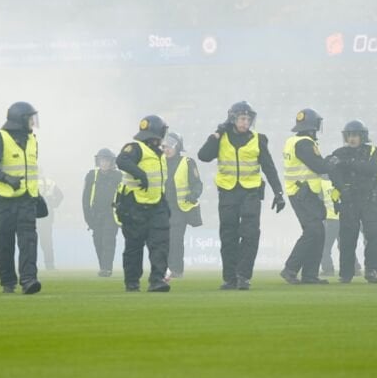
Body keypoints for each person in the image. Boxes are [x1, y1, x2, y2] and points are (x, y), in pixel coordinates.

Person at [198, 101, 285, 290]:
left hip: (250, 192)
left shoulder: (258, 139)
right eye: (242, 118)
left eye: (248, 119)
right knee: (228, 236)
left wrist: (278, 192)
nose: (246, 122)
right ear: (232, 118)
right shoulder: (221, 138)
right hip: (228, 192)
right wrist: (216, 134)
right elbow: (203, 156)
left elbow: (269, 168)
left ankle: (243, 276)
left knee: (250, 234)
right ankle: (230, 278)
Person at [0, 101, 43, 294]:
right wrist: (7, 178)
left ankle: (28, 279)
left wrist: (36, 194)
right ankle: (8, 281)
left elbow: (31, 171)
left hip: (27, 199)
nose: (33, 122)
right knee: (4, 241)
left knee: (29, 240)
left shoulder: (33, 139)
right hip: (4, 200)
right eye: (30, 118)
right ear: (21, 119)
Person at [115, 115, 171, 292]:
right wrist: (140, 174)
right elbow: (121, 160)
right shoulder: (135, 147)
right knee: (134, 246)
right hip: (134, 205)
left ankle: (157, 280)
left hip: (157, 205)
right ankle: (132, 282)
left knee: (160, 244)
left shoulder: (159, 153)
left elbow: (160, 182)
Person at [327, 120, 377, 284]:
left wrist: (347, 164)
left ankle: (371, 270)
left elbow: (371, 168)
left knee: (374, 233)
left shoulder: (374, 151)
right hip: (349, 200)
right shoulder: (339, 152)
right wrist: (341, 188)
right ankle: (346, 273)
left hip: (369, 200)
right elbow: (332, 170)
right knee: (347, 237)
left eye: (355, 135)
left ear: (363, 137)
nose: (351, 139)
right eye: (349, 135)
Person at [280, 108, 331, 284]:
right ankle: (290, 269)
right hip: (303, 193)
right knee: (314, 231)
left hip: (301, 192)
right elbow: (318, 166)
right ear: (313, 125)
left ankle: (310, 275)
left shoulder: (293, 141)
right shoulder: (304, 143)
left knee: (318, 232)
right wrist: (333, 162)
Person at [163, 132, 202, 279]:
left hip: (180, 209)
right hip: (161, 209)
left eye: (170, 146)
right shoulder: (159, 162)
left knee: (175, 240)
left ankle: (176, 270)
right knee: (163, 240)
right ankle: (166, 268)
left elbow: (198, 183)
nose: (167, 149)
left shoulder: (187, 162)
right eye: (164, 146)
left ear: (178, 146)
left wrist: (193, 195)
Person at [83, 148, 122, 277]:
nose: (104, 163)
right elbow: (85, 197)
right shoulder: (91, 175)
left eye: (106, 160)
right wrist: (88, 217)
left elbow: (123, 195)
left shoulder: (118, 176)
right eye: (101, 160)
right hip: (96, 214)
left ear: (112, 162)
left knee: (108, 240)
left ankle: (107, 268)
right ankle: (103, 267)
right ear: (98, 161)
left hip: (112, 214)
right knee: (98, 241)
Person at [36, 175, 63, 271]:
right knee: (47, 242)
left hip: (31, 216)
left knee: (30, 242)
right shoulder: (50, 183)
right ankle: (49, 264)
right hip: (46, 216)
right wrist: (53, 204)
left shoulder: (26, 181)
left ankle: (30, 265)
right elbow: (60, 196)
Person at [320, 177, 339, 276]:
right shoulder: (338, 180)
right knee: (344, 246)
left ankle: (328, 269)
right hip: (342, 218)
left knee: (324, 246)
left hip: (330, 219)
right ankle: (354, 268)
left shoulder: (321, 183)